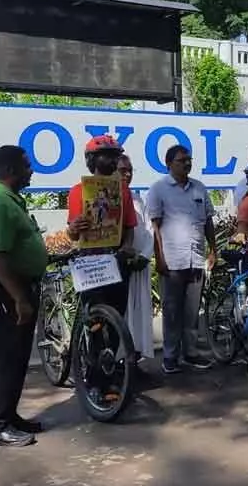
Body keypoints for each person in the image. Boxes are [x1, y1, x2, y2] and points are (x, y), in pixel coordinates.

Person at [0, 145, 48, 447]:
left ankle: (9, 416)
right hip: (5, 290)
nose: (31, 171)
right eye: (26, 166)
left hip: (16, 288)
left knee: (17, 359)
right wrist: (19, 298)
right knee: (4, 359)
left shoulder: (10, 202)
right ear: (10, 170)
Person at [147, 144, 216, 374]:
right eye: (181, 160)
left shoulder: (199, 188)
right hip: (172, 260)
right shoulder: (158, 189)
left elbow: (207, 222)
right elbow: (155, 227)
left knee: (192, 311)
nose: (187, 163)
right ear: (169, 164)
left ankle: (191, 353)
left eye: (189, 159)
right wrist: (160, 258)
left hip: (195, 259)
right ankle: (169, 356)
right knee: (172, 310)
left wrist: (213, 250)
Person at [66, 135, 137, 315]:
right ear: (92, 159)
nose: (113, 161)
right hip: (90, 262)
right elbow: (73, 234)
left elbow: (129, 226)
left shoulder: (123, 190)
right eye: (107, 155)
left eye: (115, 156)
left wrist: (127, 246)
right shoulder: (77, 191)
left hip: (117, 258)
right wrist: (73, 228)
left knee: (117, 315)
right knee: (93, 317)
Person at [117, 154, 155, 363]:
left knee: (140, 319)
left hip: (139, 266)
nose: (128, 174)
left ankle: (135, 361)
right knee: (122, 317)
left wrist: (144, 256)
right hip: (119, 269)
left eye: (130, 170)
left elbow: (149, 231)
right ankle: (120, 365)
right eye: (123, 170)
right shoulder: (108, 198)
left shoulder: (138, 200)